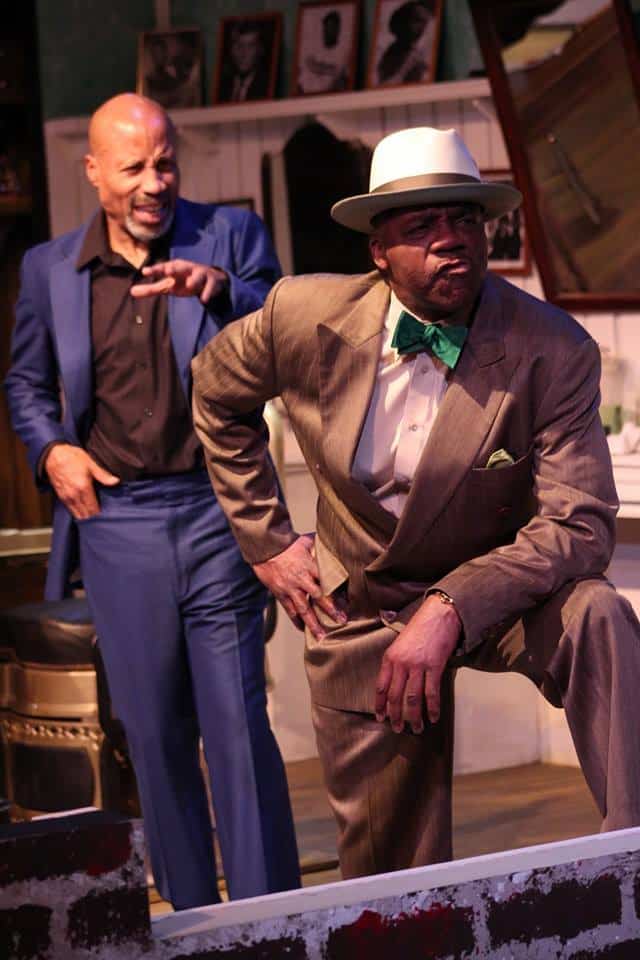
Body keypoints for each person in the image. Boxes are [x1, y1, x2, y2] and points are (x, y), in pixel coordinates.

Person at [191, 125, 640, 880]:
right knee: (391, 880)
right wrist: (266, 539)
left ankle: (631, 856)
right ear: (379, 249)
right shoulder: (302, 313)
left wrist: (451, 606)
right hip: (362, 605)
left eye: (465, 218)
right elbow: (213, 393)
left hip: (498, 595)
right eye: (423, 224)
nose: (451, 239)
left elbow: (580, 522)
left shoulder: (551, 348)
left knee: (598, 613)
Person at [4, 93, 300, 910]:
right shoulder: (49, 270)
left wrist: (219, 290)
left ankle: (270, 917)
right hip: (116, 521)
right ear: (94, 172)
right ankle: (193, 920)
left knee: (236, 724)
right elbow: (25, 383)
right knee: (154, 733)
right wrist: (51, 449)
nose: (153, 182)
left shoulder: (229, 238)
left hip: (216, 510)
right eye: (133, 166)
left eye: (164, 163)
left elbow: (287, 329)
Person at [376, 0, 436, 86]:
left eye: (425, 22)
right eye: (417, 20)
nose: (422, 28)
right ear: (403, 21)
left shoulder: (417, 55)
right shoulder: (392, 53)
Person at [297, 10, 349, 94]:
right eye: (326, 27)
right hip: (305, 95)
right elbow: (300, 75)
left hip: (330, 96)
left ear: (338, 30)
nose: (328, 31)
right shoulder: (313, 49)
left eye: (332, 28)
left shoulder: (343, 52)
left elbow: (344, 80)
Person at [217, 21, 270, 103]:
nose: (243, 54)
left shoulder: (267, 86)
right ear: (231, 50)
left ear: (260, 50)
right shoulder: (221, 86)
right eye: (239, 45)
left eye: (250, 46)